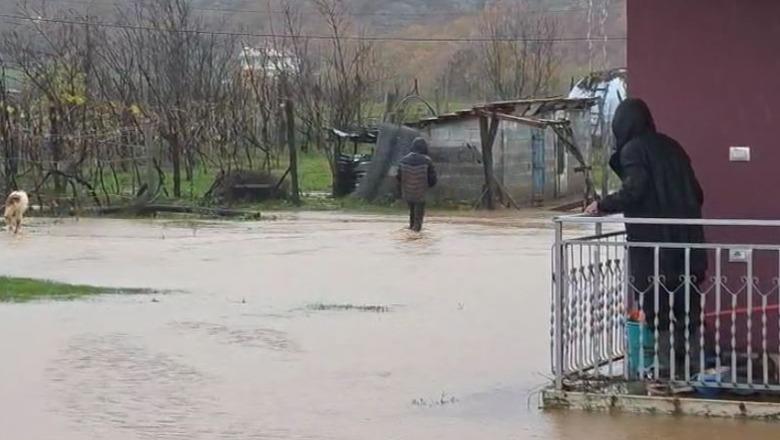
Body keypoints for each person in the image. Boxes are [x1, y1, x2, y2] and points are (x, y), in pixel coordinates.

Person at [585, 98, 708, 374]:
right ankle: (693, 367)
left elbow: (634, 190)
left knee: (656, 308)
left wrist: (602, 205)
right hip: (687, 244)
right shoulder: (672, 147)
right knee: (688, 307)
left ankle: (665, 371)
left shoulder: (633, 150)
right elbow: (697, 193)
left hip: (654, 250)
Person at [397, 137, 437, 232]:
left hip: (407, 191)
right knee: (419, 214)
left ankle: (411, 228)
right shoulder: (427, 161)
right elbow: (432, 177)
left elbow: (398, 176)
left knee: (412, 211)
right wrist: (429, 185)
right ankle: (416, 231)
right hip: (420, 191)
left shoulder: (403, 160)